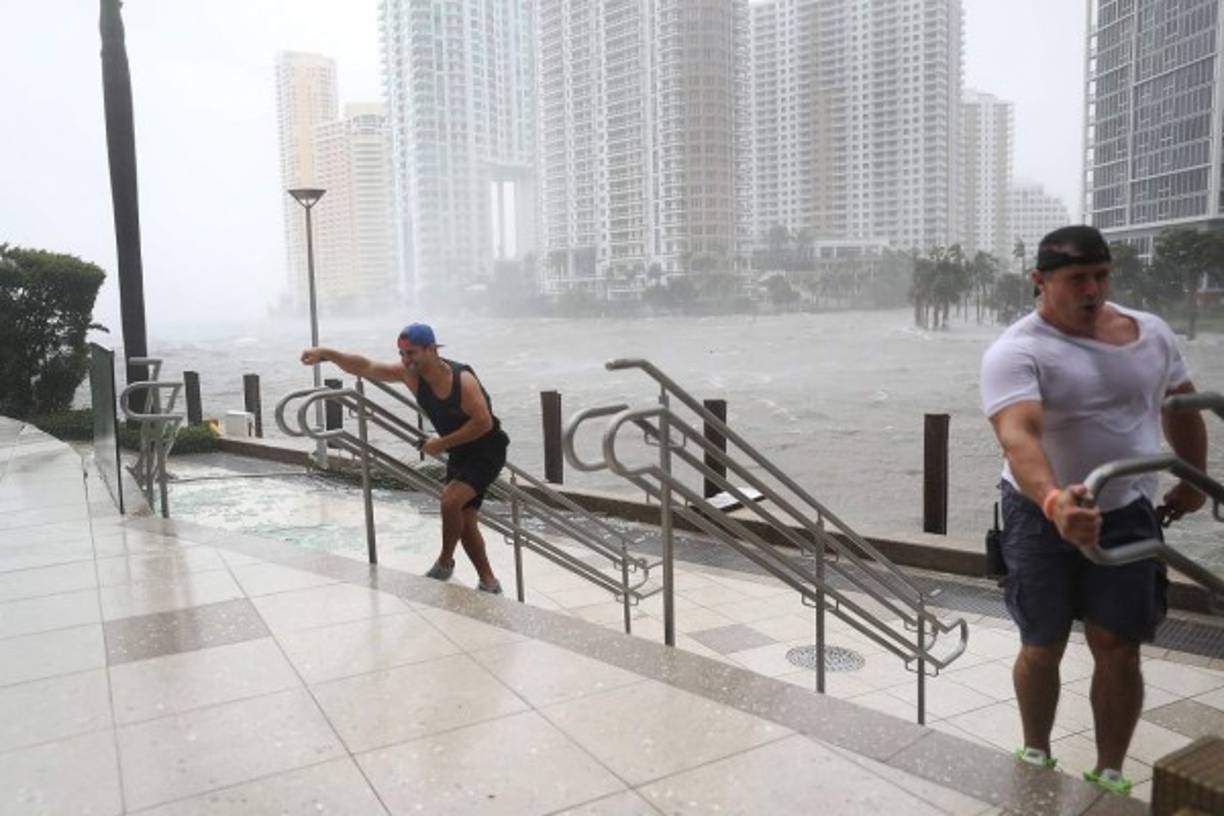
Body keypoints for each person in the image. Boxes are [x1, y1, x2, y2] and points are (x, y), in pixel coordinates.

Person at [980, 225, 1208, 796]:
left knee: (1119, 646)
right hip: (1039, 513)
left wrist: (1193, 478)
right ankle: (1036, 751)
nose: (1093, 290)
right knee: (1043, 642)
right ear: (1040, 280)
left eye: (1102, 276)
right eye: (1077, 278)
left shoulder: (1150, 333)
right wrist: (1054, 501)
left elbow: (1181, 407)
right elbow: (1019, 435)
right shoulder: (1017, 350)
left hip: (1127, 509)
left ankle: (1109, 772)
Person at [301, 323, 508, 594]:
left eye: (412, 353)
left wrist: (439, 444)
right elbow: (365, 366)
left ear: (431, 349)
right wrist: (327, 354)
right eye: (401, 354)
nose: (406, 360)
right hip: (460, 450)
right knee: (465, 520)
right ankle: (489, 582)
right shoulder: (409, 374)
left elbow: (483, 423)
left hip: (487, 448)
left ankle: (444, 562)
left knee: (450, 502)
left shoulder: (462, 380)